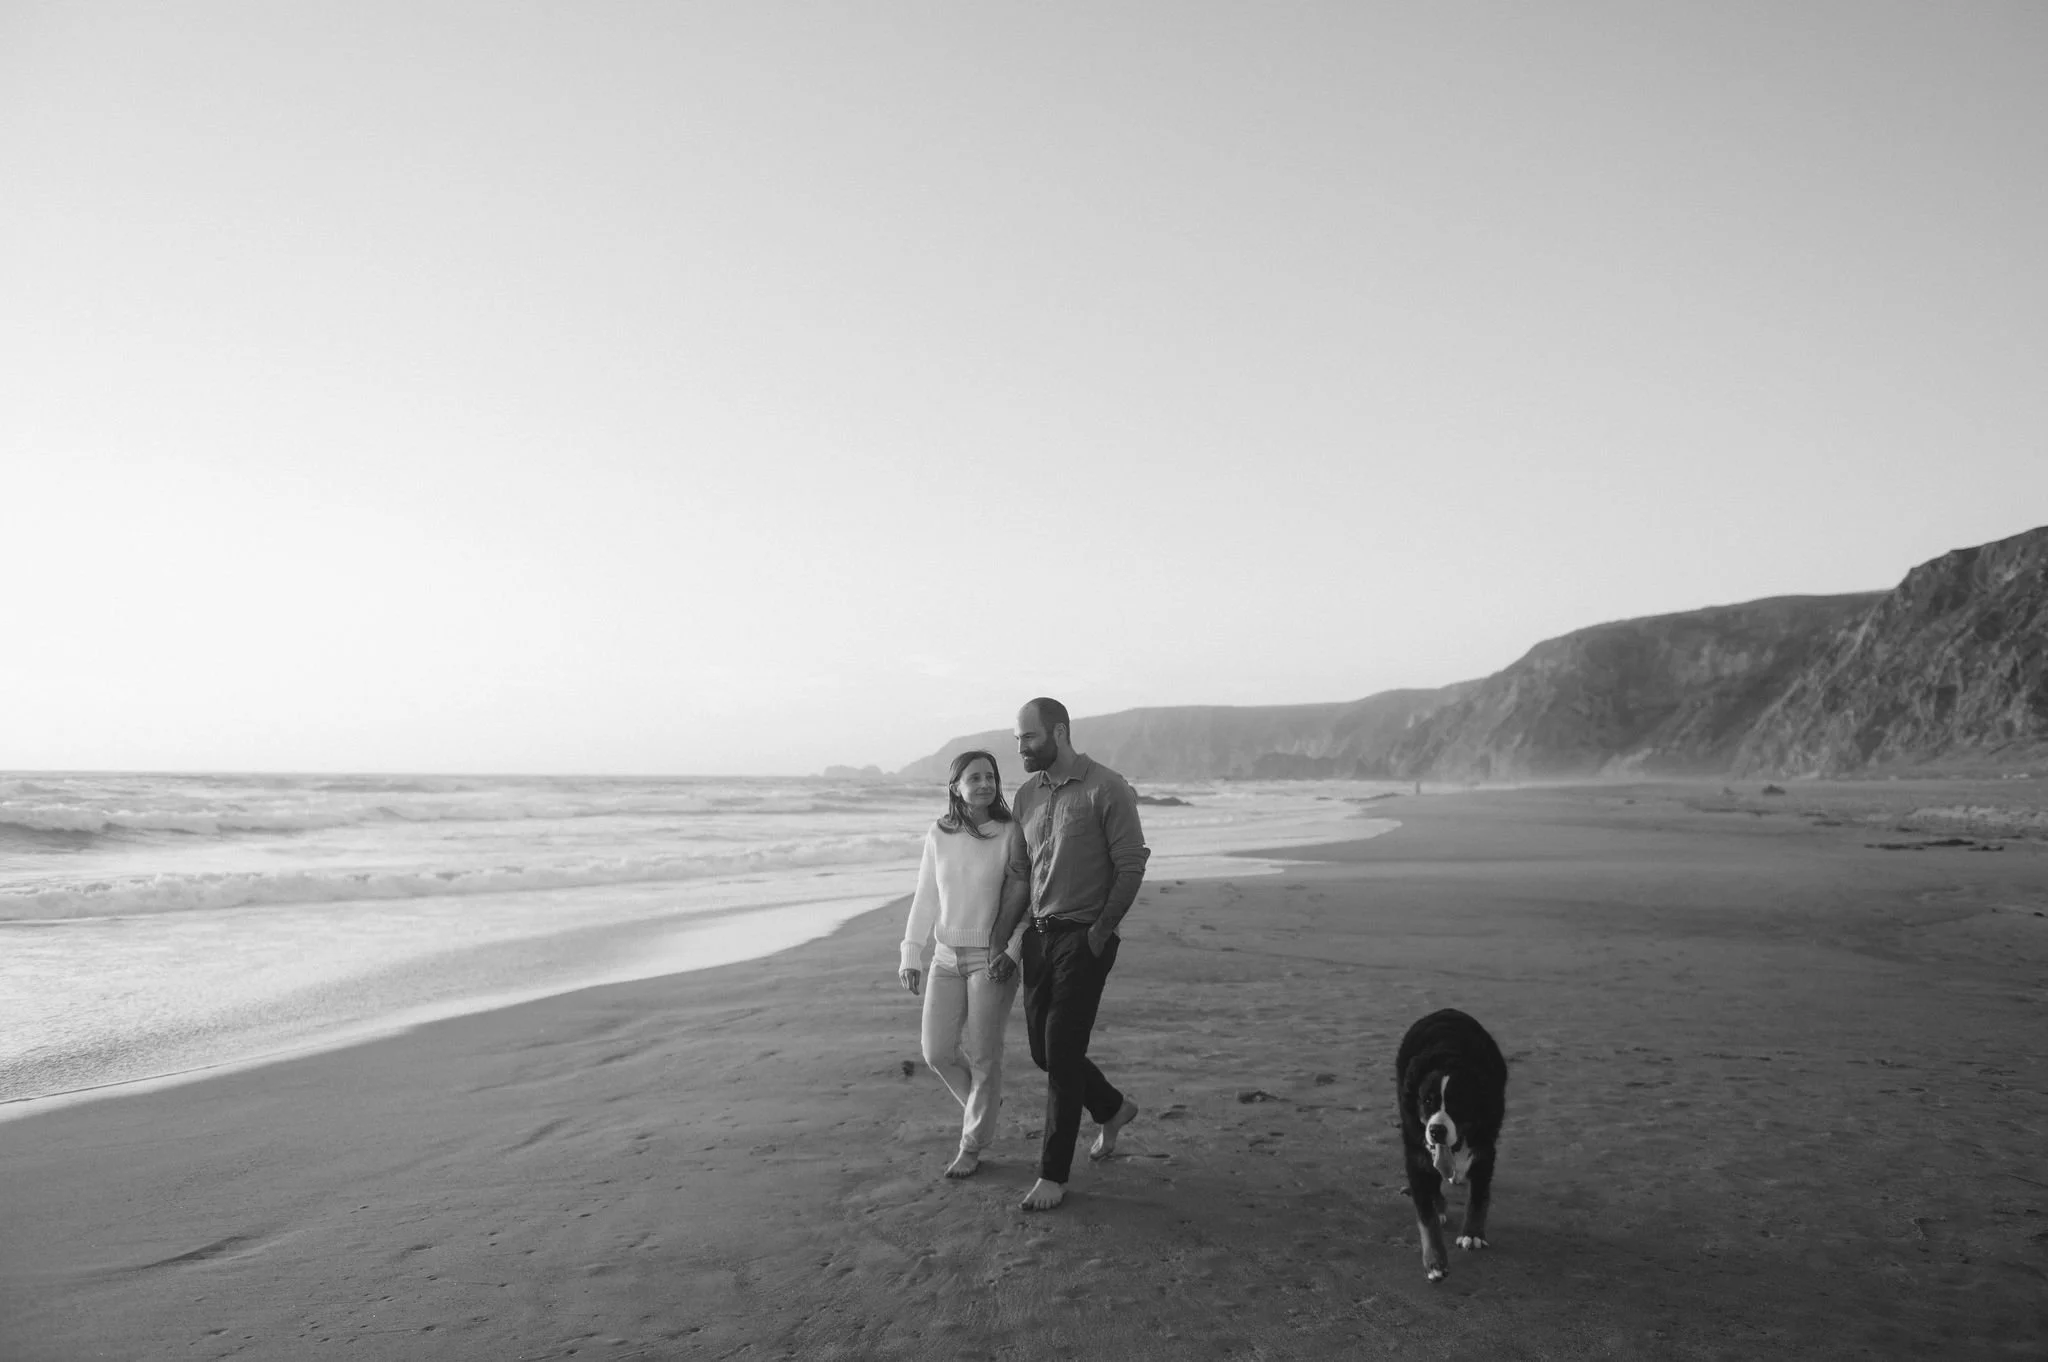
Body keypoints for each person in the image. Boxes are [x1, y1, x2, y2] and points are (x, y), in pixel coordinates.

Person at [993, 697, 1149, 1211]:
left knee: (1060, 1055)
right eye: (1017, 739)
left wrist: (1100, 932)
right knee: (1043, 1052)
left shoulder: (1108, 788)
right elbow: (1021, 873)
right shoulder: (1025, 795)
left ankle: (1053, 1175)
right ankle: (1111, 1106)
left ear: (1058, 732)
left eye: (1028, 738)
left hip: (1084, 937)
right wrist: (1009, 941)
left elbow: (1130, 865)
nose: (1020, 748)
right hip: (1038, 937)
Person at [898, 749, 1030, 1179]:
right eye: (974, 778)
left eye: (990, 776)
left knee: (985, 1058)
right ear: (956, 787)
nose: (984, 784)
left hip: (990, 959)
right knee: (935, 1051)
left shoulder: (1011, 832)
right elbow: (925, 896)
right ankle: (984, 1104)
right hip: (944, 957)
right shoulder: (939, 833)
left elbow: (1024, 900)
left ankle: (972, 1145)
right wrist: (910, 951)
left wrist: (1011, 951)